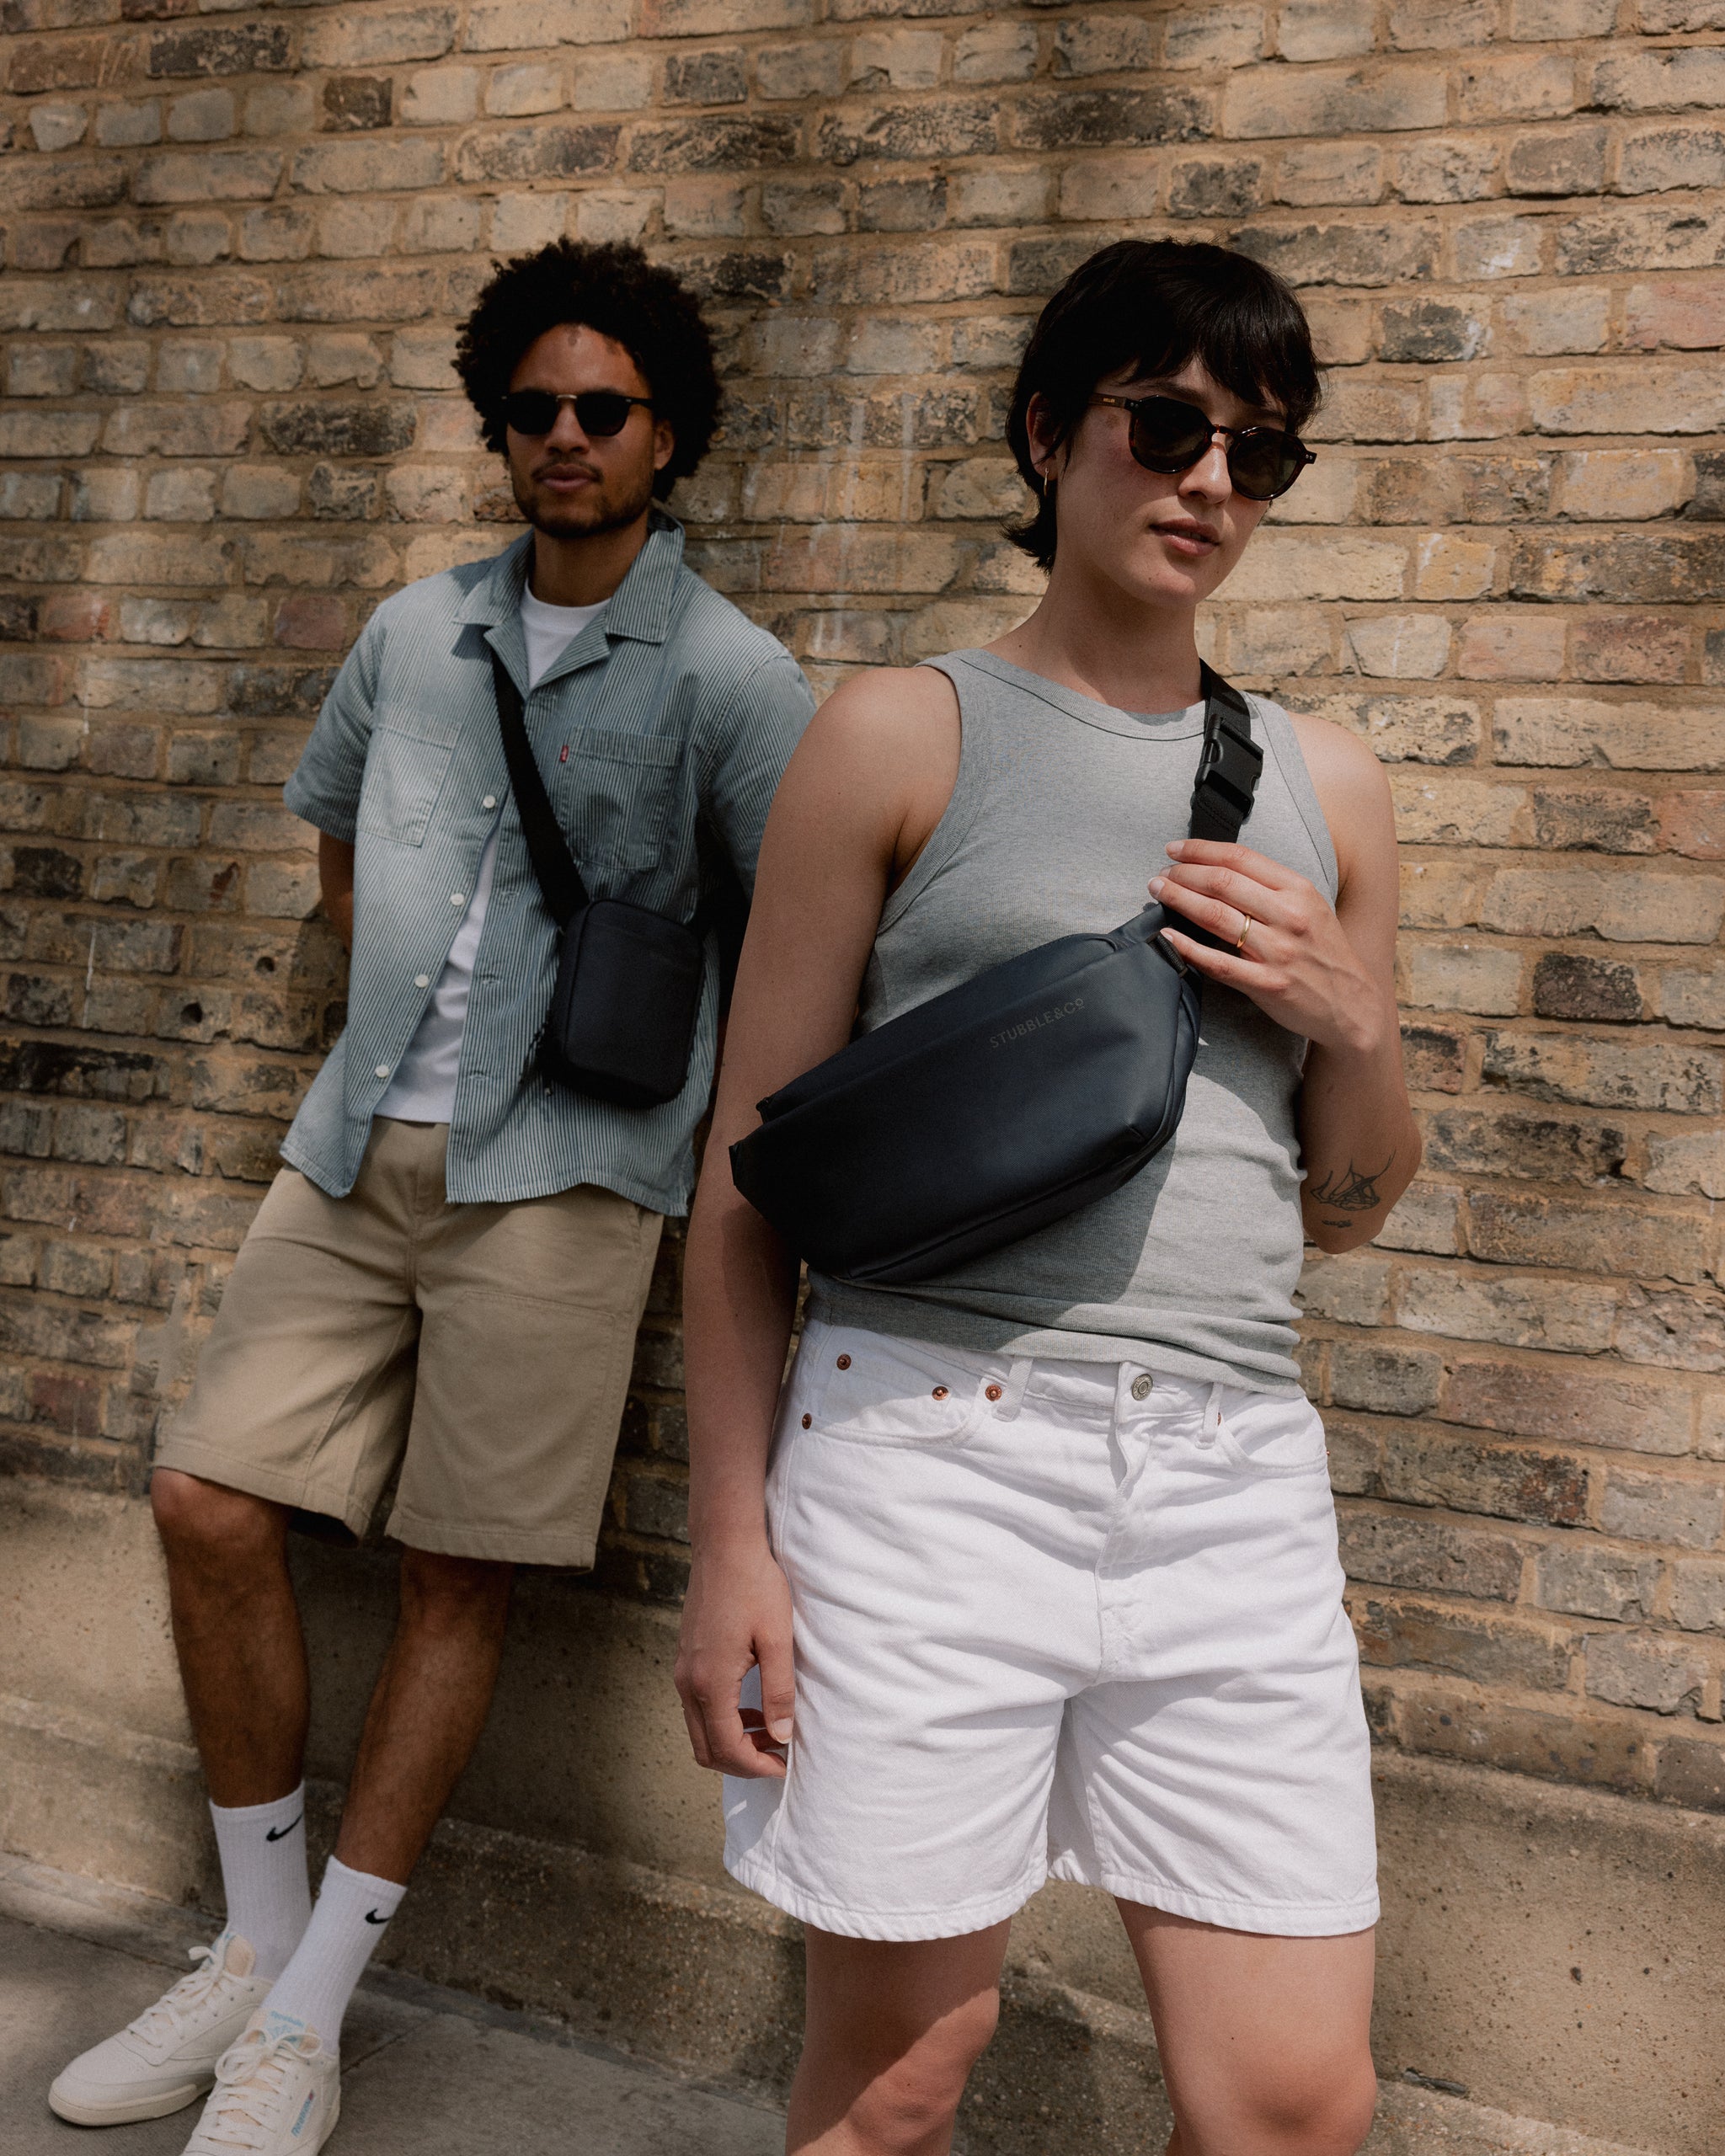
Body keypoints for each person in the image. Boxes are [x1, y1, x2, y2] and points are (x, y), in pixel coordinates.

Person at [50, 239, 813, 2156]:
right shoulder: (413, 632)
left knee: (459, 1569)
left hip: (568, 1177)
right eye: (535, 407)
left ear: (668, 437)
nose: (565, 437)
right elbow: (336, 848)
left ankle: (305, 2018)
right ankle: (253, 1949)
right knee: (208, 1496)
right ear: (500, 424)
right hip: (354, 1139)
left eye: (604, 409)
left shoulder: (732, 676)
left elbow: (799, 941)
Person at [675, 237, 1420, 2156]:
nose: (1209, 485)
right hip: (930, 1454)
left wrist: (1351, 1012)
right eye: (1165, 426)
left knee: (1290, 2105)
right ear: (1045, 433)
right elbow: (747, 1184)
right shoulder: (896, 734)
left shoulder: (1326, 781)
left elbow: (1348, 1199)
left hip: (1231, 1476)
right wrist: (731, 1544)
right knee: (902, 2084)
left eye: (1260, 455)